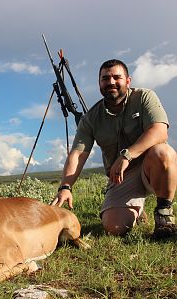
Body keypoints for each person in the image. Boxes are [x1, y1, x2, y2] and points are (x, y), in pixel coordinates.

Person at [52, 59, 177, 238]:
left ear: (128, 80)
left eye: (116, 77)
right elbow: (78, 153)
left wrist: (126, 156)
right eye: (105, 78)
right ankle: (137, 210)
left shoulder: (144, 97)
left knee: (163, 152)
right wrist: (65, 186)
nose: (111, 82)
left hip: (152, 166)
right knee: (114, 227)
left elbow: (160, 131)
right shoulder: (91, 118)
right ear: (99, 83)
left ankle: (164, 214)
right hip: (120, 177)